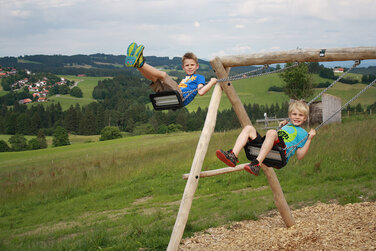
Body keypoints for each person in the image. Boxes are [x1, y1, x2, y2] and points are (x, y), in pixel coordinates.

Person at [216, 100, 316, 176]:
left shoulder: (302, 133)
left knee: (271, 132)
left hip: (281, 153)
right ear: (289, 115)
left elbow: (299, 156)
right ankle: (233, 156)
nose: (297, 117)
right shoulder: (286, 125)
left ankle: (256, 164)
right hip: (268, 147)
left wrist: (309, 139)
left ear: (305, 118)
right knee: (248, 128)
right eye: (294, 114)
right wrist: (282, 126)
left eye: (301, 115)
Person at [125, 42, 217, 106]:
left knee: (163, 75)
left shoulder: (199, 77)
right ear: (183, 68)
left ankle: (141, 63)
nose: (189, 67)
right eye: (187, 65)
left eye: (192, 65)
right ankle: (137, 65)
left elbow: (201, 91)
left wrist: (212, 82)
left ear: (197, 66)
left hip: (179, 96)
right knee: (155, 80)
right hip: (171, 94)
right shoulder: (184, 79)